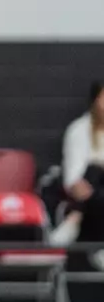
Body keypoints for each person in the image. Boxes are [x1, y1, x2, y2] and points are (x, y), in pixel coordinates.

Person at [50, 80, 104, 271]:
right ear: (95, 100)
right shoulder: (79, 129)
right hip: (86, 188)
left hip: (92, 197)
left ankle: (75, 217)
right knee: (94, 171)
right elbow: (74, 172)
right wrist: (77, 185)